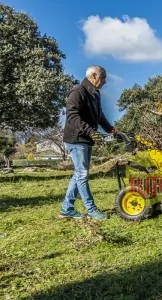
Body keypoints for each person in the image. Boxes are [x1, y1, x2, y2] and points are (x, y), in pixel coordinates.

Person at [59, 65, 116, 219]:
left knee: (79, 174)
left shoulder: (95, 94)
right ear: (93, 76)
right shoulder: (78, 91)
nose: (104, 82)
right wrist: (91, 131)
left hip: (86, 139)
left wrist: (112, 130)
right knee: (82, 175)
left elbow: (99, 115)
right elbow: (72, 115)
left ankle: (67, 209)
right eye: (102, 78)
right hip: (77, 139)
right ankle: (91, 209)